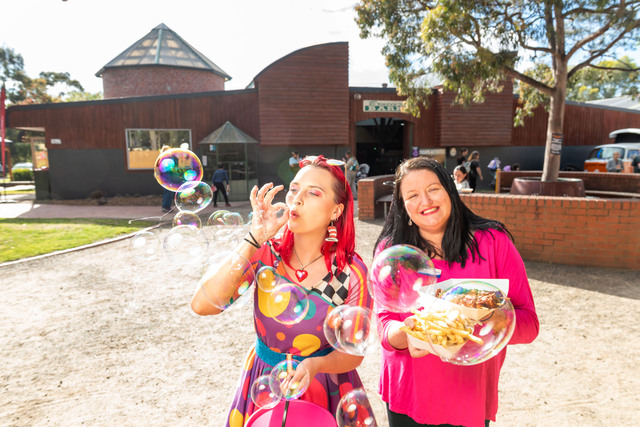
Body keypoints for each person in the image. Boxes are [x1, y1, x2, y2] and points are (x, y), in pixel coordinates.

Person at [192, 155, 372, 426]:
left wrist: (316, 365)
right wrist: (253, 238)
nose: (297, 199)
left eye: (313, 193)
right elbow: (203, 305)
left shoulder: (351, 272)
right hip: (264, 383)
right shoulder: (265, 254)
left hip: (326, 387)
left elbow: (353, 353)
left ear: (336, 210)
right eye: (294, 189)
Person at [373, 157, 539, 427]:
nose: (425, 200)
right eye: (412, 195)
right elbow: (384, 323)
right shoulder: (391, 252)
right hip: (407, 393)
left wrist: (494, 320)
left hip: (469, 397)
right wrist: (408, 333)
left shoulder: (494, 242)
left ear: (450, 190)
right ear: (402, 206)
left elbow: (529, 324)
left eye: (433, 189)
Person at [159, 145, 175, 213]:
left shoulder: (169, 158)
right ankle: (165, 207)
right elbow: (161, 168)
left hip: (169, 176)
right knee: (168, 192)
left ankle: (167, 206)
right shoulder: (162, 159)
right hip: (165, 177)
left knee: (169, 192)